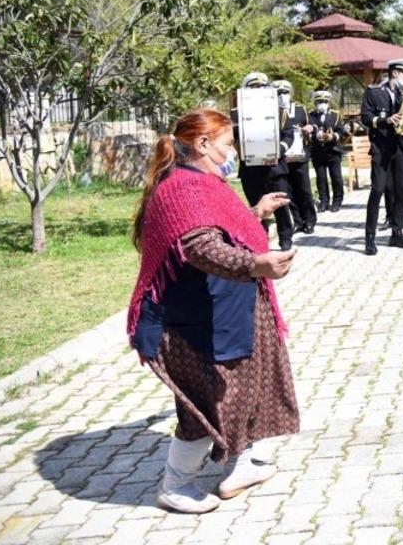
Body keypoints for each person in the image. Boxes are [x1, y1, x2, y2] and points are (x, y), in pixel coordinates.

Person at [127, 107, 299, 514]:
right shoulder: (183, 187)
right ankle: (175, 483)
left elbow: (215, 227)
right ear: (202, 144)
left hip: (226, 310)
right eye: (227, 145)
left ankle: (240, 467)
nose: (232, 152)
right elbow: (200, 247)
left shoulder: (204, 180)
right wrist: (257, 264)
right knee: (209, 403)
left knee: (246, 392)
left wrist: (255, 214)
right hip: (199, 321)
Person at [232, 73, 297, 251]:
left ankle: (285, 238)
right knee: (255, 205)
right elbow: (233, 137)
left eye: (261, 88)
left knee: (281, 203)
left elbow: (289, 134)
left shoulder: (279, 110)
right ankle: (260, 238)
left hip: (274, 167)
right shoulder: (236, 113)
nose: (257, 91)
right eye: (253, 88)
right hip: (250, 168)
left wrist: (279, 150)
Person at [361, 59, 403, 255]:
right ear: (394, 73)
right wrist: (386, 120)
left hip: (400, 148)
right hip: (381, 148)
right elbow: (365, 118)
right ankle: (369, 237)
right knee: (377, 190)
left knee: (401, 191)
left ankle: (397, 232)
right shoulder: (374, 92)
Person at [271, 80, 316, 237]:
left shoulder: (299, 109)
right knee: (288, 192)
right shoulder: (270, 111)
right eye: (279, 93)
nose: (282, 95)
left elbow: (312, 125)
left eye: (285, 92)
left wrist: (309, 128)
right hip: (282, 158)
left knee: (303, 189)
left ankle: (309, 220)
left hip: (299, 156)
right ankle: (297, 221)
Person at [307, 90, 347, 214]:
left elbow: (341, 131)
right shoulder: (310, 115)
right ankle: (324, 201)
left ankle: (337, 201)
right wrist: (315, 136)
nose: (322, 104)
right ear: (315, 102)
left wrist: (333, 136)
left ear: (329, 103)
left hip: (333, 151)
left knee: (336, 177)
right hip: (318, 151)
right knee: (321, 178)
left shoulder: (335, 115)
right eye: (319, 102)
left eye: (324, 101)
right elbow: (308, 132)